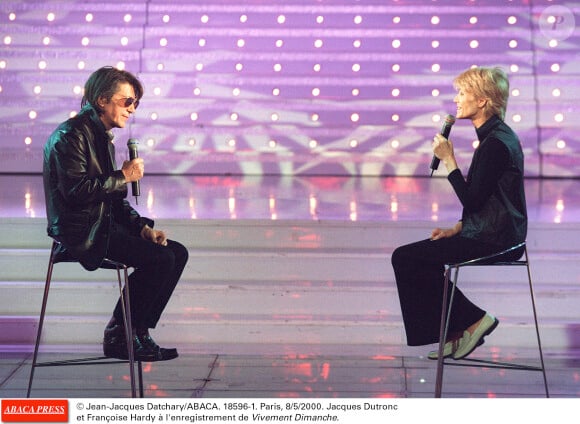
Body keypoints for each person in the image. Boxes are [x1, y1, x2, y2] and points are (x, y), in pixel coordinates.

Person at [43, 66, 189, 362]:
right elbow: (76, 191)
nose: (132, 109)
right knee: (160, 259)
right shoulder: (70, 136)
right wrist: (122, 175)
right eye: (127, 101)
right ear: (101, 100)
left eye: (135, 103)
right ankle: (119, 334)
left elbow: (113, 198)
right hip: (80, 230)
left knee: (176, 252)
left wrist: (141, 228)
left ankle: (137, 332)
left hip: (101, 225)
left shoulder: (100, 137)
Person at [391, 66, 527, 360]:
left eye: (463, 92)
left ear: (482, 101)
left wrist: (449, 160)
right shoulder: (496, 137)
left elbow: (474, 200)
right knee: (412, 258)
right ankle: (455, 333)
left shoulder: (496, 144)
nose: (457, 99)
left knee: (406, 258)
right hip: (489, 231)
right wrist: (459, 227)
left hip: (495, 239)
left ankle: (475, 321)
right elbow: (488, 200)